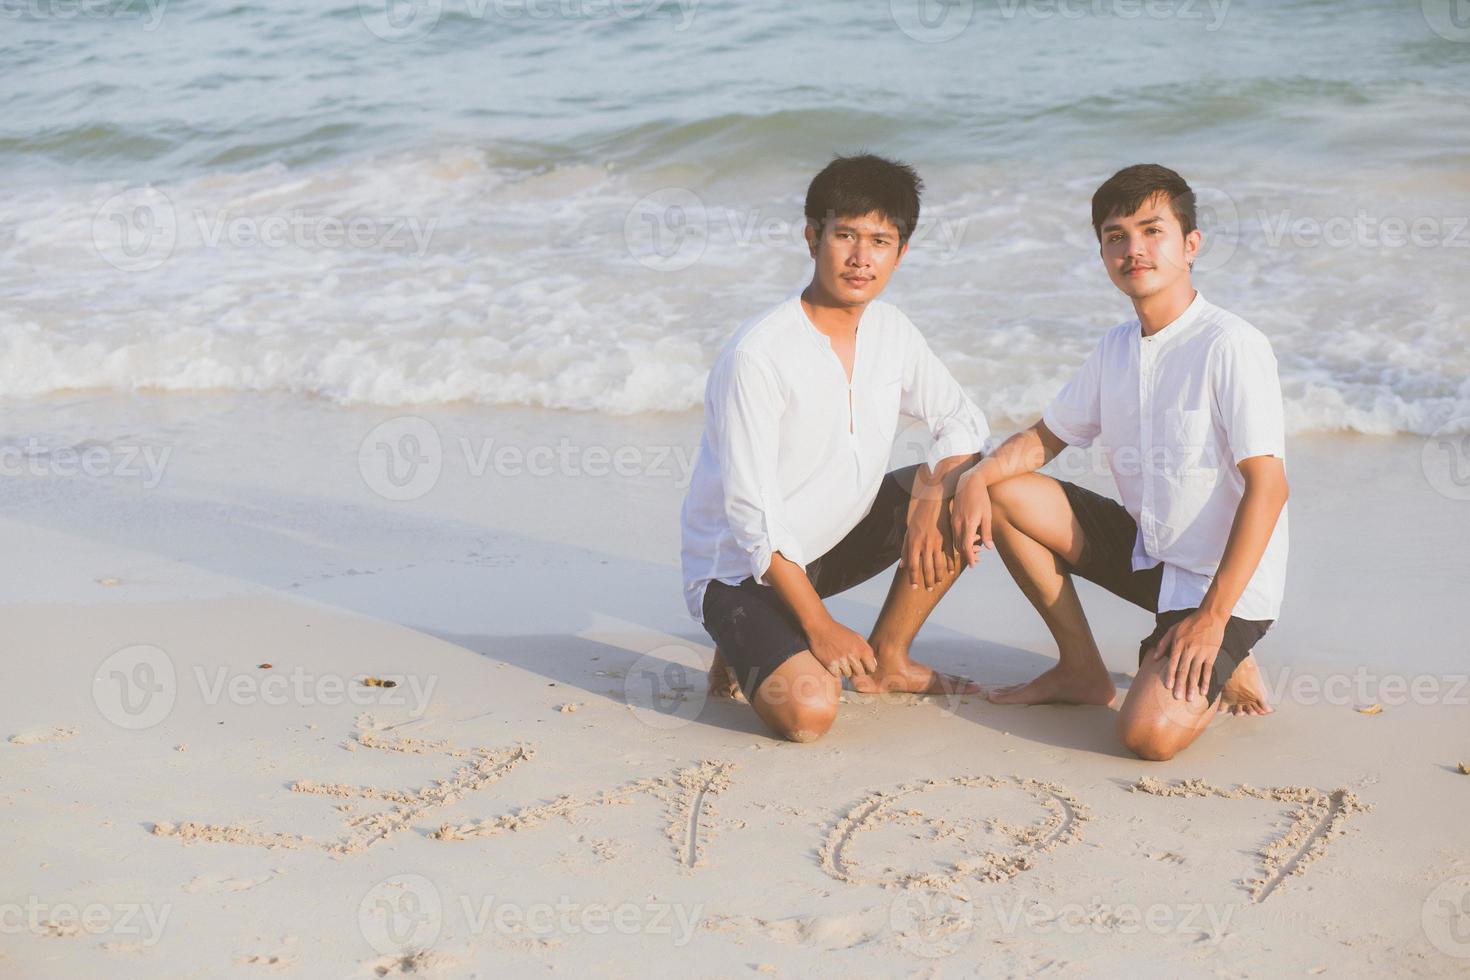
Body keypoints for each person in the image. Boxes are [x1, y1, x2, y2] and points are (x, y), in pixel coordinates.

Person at [951, 163, 1289, 761]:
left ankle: (1230, 655)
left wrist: (1213, 619)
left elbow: (1270, 489)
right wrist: (976, 476)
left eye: (1151, 230)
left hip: (1222, 584)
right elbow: (1046, 438)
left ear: (1190, 245)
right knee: (1006, 489)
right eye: (1115, 236)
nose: (1133, 249)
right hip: (1151, 552)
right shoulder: (1115, 346)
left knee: (1147, 737)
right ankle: (1081, 670)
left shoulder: (1230, 344)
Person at [681, 154, 990, 743]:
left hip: (827, 543)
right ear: (811, 237)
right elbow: (752, 520)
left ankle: (889, 660)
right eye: (845, 235)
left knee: (969, 490)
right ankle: (747, 636)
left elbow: (963, 420)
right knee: (810, 713)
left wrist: (932, 490)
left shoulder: (892, 331)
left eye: (880, 240)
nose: (860, 257)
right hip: (740, 571)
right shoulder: (759, 355)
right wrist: (820, 627)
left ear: (901, 252)